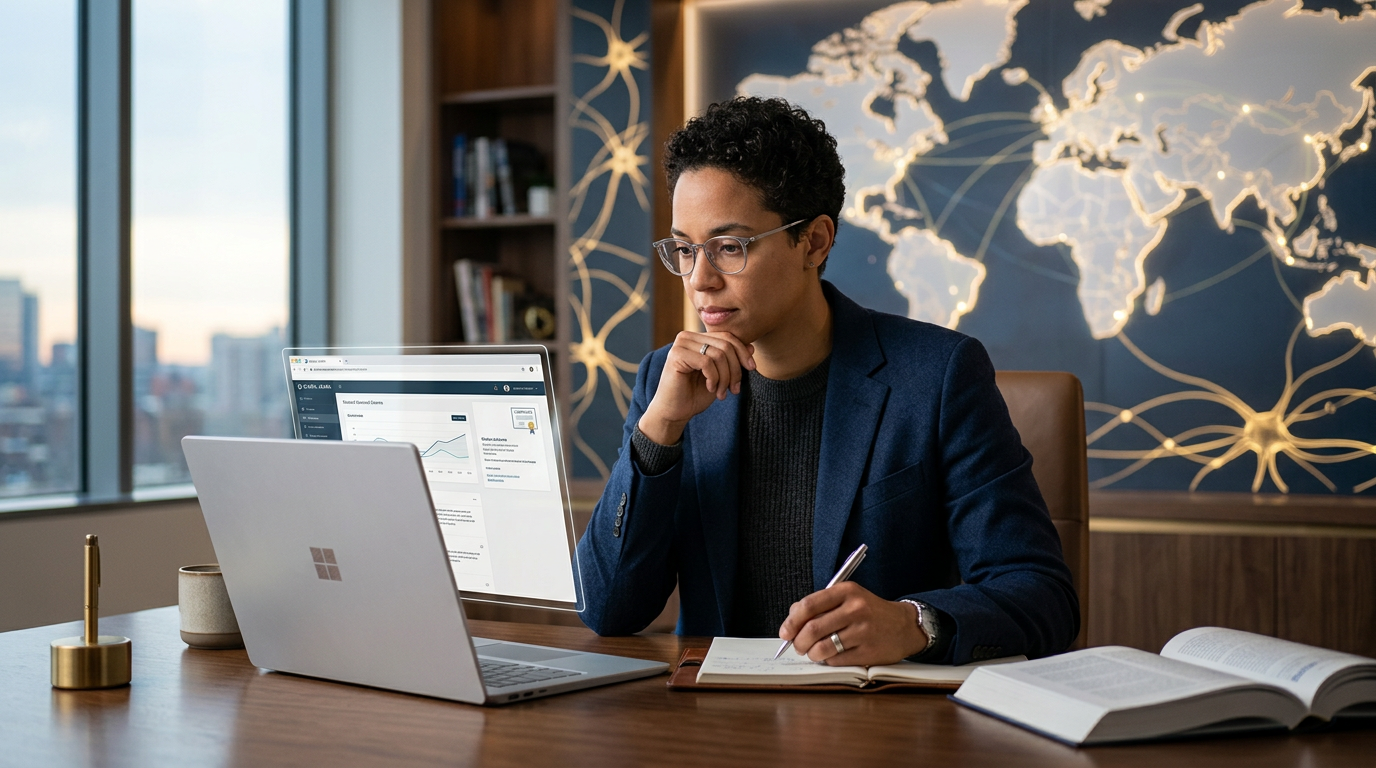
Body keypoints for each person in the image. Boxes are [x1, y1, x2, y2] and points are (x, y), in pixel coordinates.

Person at [575, 96, 1079, 666]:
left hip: (876, 712)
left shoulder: (939, 375)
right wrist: (658, 431)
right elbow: (607, 609)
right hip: (711, 710)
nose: (699, 279)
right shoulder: (665, 382)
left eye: (729, 247)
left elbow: (1042, 595)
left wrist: (915, 623)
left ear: (813, 242)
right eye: (686, 250)